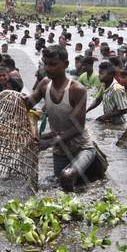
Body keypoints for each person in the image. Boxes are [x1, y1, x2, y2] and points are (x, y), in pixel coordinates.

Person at [27, 44, 106, 187]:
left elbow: (78, 128)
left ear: (66, 64)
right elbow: (28, 104)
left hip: (82, 147)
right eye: (46, 64)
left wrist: (49, 143)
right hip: (60, 149)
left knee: (67, 176)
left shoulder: (77, 90)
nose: (48, 68)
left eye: (53, 64)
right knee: (56, 184)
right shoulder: (44, 85)